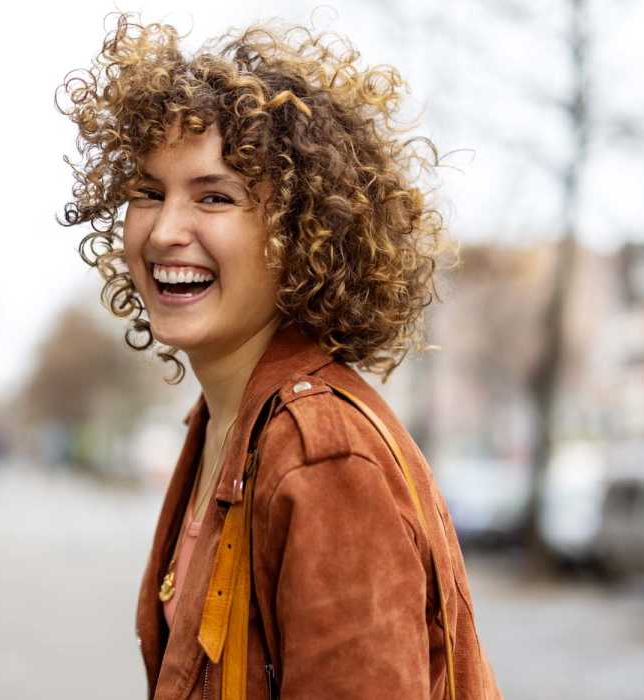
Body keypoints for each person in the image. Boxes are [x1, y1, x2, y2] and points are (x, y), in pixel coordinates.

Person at [58, 14, 502, 699]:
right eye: (149, 193)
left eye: (214, 196)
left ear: (303, 236)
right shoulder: (224, 424)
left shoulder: (324, 458)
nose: (166, 230)